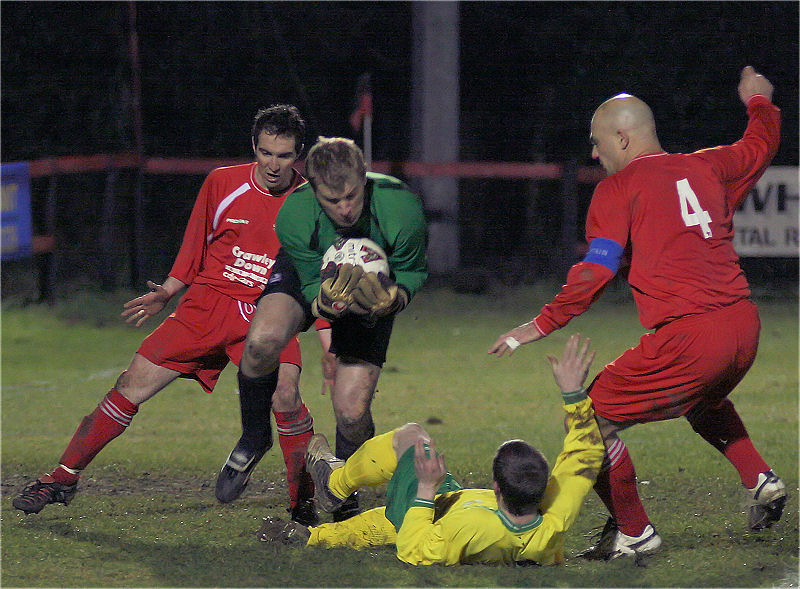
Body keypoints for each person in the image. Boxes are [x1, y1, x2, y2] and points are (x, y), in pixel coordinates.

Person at [489, 66, 786, 559]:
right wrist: (759, 101)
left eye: (596, 141)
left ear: (622, 139)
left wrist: (541, 323)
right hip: (744, 327)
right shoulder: (707, 165)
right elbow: (760, 146)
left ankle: (634, 531)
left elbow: (597, 269)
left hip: (691, 338)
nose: (593, 152)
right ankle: (759, 479)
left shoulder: (616, 190)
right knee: (704, 400)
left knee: (588, 422)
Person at [14, 104, 322, 526]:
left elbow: (314, 272)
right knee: (130, 385)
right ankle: (61, 478)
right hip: (207, 304)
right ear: (254, 147)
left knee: (285, 394)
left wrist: (324, 332)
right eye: (266, 152)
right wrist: (171, 289)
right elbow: (197, 237)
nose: (273, 164)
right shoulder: (223, 182)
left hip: (268, 310)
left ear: (298, 155)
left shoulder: (308, 204)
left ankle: (300, 504)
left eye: (284, 155)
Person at [254, 334, 605, 566]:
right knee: (393, 512)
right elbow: (585, 454)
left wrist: (424, 490)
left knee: (413, 439)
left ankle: (335, 485)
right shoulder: (553, 520)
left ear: (497, 487)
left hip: (431, 515)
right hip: (450, 505)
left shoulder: (472, 526)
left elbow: (414, 548)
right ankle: (313, 537)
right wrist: (574, 394)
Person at [221, 136, 428, 521]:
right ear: (313, 191)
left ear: (363, 179)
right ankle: (254, 436)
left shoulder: (401, 205)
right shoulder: (295, 215)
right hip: (313, 273)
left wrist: (394, 297)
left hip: (371, 291)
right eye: (333, 201)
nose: (346, 208)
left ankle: (344, 490)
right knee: (262, 342)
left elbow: (414, 270)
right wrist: (324, 303)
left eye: (352, 195)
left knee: (351, 411)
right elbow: (310, 284)